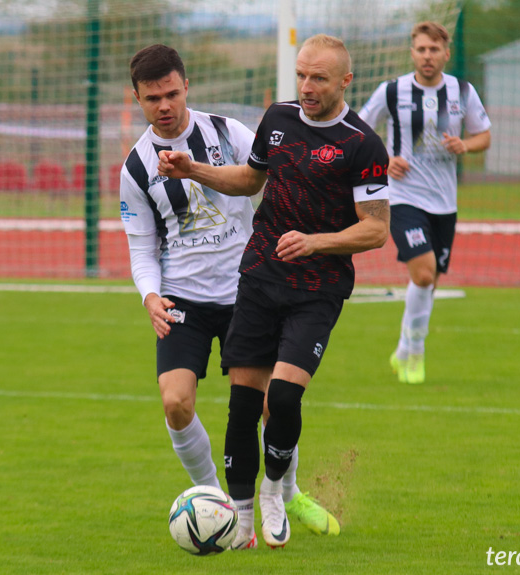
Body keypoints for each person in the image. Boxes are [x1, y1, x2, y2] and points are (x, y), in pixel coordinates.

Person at [157, 34, 390, 548]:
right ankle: (239, 518)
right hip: (261, 275)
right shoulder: (278, 119)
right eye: (302, 75)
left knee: (283, 397)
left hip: (319, 286)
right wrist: (192, 167)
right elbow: (249, 179)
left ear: (345, 82)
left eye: (319, 79)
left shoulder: (362, 144)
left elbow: (375, 229)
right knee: (243, 404)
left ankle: (273, 490)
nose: (306, 87)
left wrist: (316, 242)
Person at [120, 44, 339, 551]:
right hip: (182, 300)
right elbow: (141, 248)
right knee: (175, 402)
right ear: (137, 98)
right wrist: (150, 296)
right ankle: (218, 502)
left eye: (172, 93)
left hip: (248, 290)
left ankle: (289, 492)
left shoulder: (228, 133)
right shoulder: (135, 168)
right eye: (153, 98)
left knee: (269, 407)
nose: (165, 105)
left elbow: (268, 179)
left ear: (186, 86)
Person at [359, 21, 492, 385]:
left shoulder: (463, 92)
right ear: (413, 52)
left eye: (434, 49)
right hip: (402, 197)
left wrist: (466, 145)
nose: (427, 56)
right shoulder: (392, 91)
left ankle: (403, 348)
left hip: (444, 202)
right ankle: (416, 352)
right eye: (421, 49)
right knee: (423, 272)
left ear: (446, 53)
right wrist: (385, 158)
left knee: (429, 282)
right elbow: (358, 131)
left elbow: (484, 135)